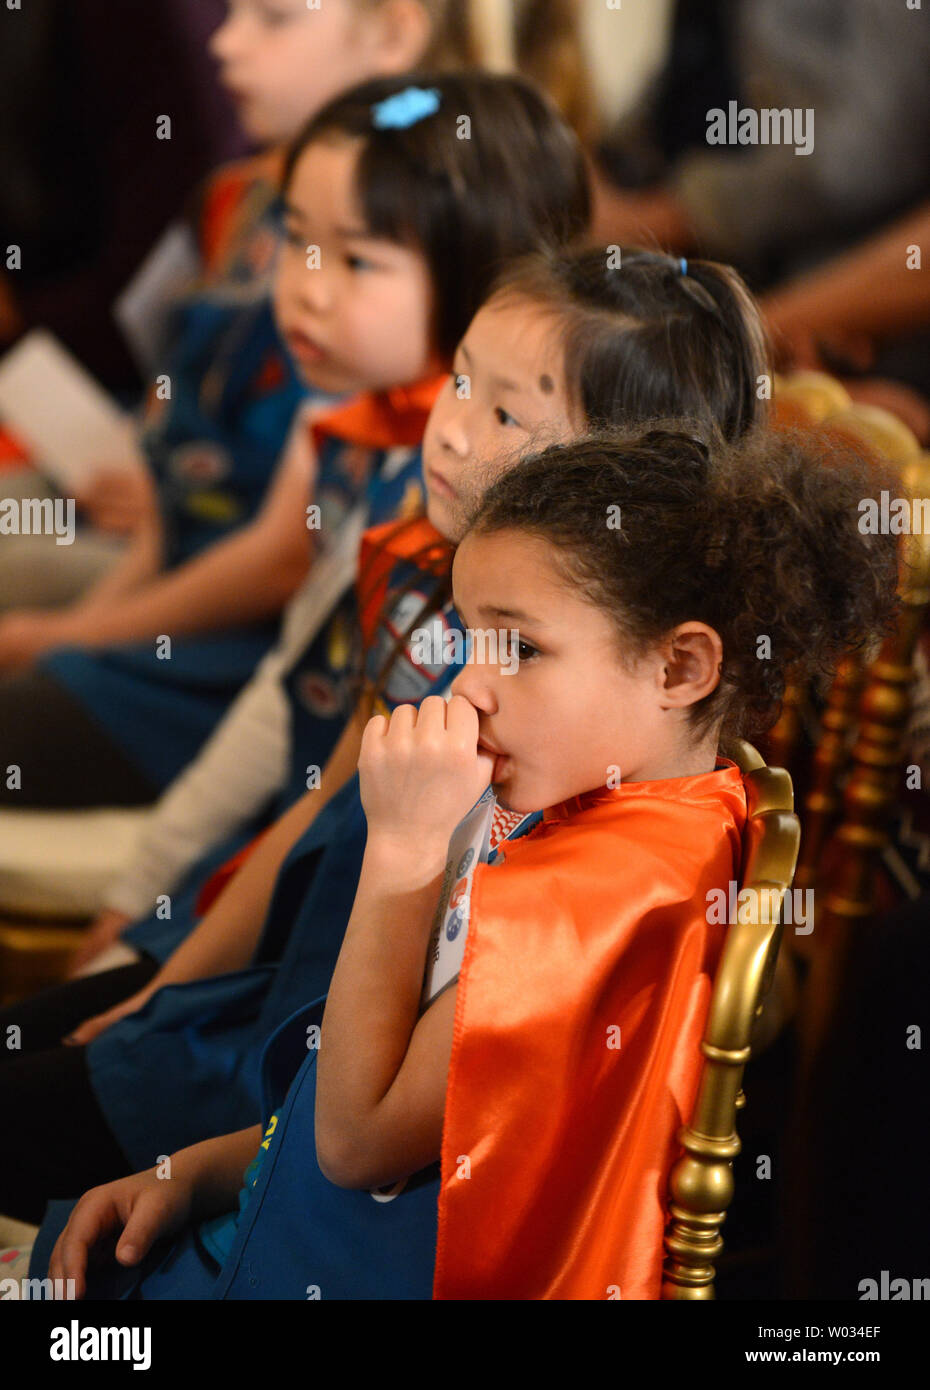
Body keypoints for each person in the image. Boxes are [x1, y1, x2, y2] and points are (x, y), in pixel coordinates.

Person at [39, 422, 900, 1299]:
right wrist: (198, 1171)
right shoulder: (618, 801)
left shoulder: (592, 901)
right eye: (471, 640)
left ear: (680, 667)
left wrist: (403, 850)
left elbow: (358, 1142)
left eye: (521, 648)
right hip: (288, 1221)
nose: (467, 686)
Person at [0, 243, 773, 1220]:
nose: (448, 432)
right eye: (458, 381)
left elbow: (370, 1132)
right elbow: (322, 802)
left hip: (308, 1077)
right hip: (259, 1010)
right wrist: (161, 982)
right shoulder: (433, 583)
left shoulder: (580, 756)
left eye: (504, 413)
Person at [0, 84, 595, 1221]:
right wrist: (159, 947)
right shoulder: (404, 509)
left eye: (355, 258)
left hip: (288, 1054)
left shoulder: (520, 657)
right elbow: (309, 782)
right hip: (243, 982)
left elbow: (389, 1104)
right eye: (297, 244)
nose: (455, 428)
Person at [0, 0, 482, 802]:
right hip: (170, 569)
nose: (225, 43)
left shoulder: (418, 251)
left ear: (396, 31)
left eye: (275, 18)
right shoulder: (242, 197)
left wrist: (66, 637)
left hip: (240, 650)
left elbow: (282, 555)